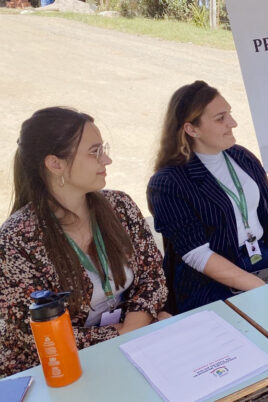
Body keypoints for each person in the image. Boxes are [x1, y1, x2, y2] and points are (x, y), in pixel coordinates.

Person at [146, 80, 268, 402]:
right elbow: (198, 256)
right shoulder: (169, 183)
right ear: (191, 129)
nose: (233, 123)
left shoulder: (240, 157)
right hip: (207, 279)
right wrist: (261, 290)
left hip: (260, 261)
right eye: (220, 118)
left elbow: (257, 205)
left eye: (229, 113)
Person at [0, 107, 169, 376]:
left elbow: (153, 279)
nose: (108, 159)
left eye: (104, 149)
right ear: (55, 164)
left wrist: (133, 327)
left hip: (129, 347)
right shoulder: (16, 239)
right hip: (51, 373)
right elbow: (36, 334)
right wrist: (125, 333)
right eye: (95, 151)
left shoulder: (120, 206)